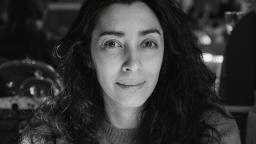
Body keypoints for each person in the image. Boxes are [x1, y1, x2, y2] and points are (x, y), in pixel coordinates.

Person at [20, 0, 241, 144]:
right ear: (87, 55)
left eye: (148, 44)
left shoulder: (213, 131)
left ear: (166, 52)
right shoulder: (48, 135)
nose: (132, 63)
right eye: (113, 43)